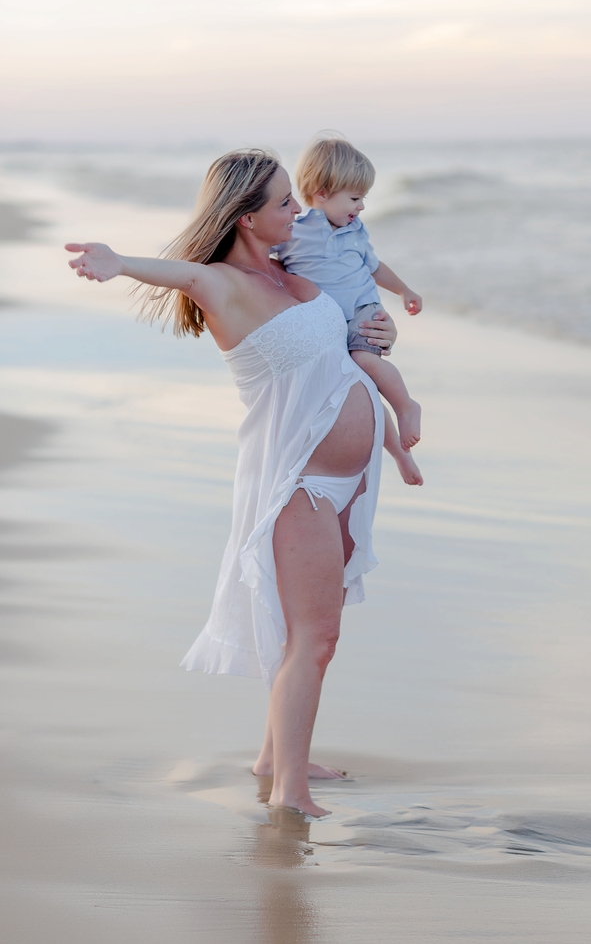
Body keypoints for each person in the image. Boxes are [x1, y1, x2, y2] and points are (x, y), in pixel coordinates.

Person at [65, 149, 398, 818]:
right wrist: (119, 261)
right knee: (314, 636)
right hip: (295, 483)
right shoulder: (224, 283)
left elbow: (344, 339)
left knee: (313, 634)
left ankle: (280, 758)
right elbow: (183, 271)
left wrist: (377, 329)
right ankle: (289, 793)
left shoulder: (292, 272)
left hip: (343, 482)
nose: (297, 210)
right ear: (246, 218)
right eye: (282, 202)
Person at [275, 136, 422, 460]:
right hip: (325, 320)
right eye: (355, 197)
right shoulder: (293, 233)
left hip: (360, 309)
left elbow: (374, 267)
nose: (362, 206)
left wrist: (403, 290)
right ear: (323, 193)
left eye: (364, 197)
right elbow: (263, 258)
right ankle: (398, 453)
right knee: (356, 387)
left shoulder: (356, 231)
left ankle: (406, 406)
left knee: (364, 363)